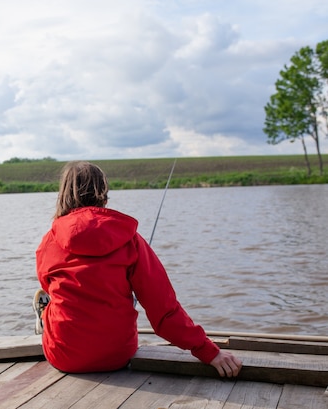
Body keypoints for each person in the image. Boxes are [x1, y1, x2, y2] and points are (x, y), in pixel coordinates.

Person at [34, 161, 242, 377]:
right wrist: (209, 352)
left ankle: (43, 315)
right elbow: (164, 311)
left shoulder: (49, 242)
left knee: (51, 300)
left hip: (64, 356)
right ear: (104, 193)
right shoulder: (129, 239)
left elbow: (47, 285)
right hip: (117, 355)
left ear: (63, 194)